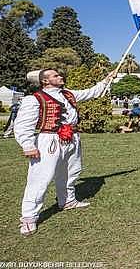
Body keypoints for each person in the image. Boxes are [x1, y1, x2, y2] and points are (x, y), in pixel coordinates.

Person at [15, 68, 117, 235]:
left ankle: (67, 200)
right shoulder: (34, 99)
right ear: (45, 81)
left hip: (72, 138)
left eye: (59, 74)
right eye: (55, 75)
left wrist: (106, 80)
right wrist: (28, 145)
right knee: (41, 178)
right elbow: (23, 124)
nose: (60, 76)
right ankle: (29, 217)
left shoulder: (68, 94)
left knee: (72, 172)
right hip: (49, 140)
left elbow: (91, 92)